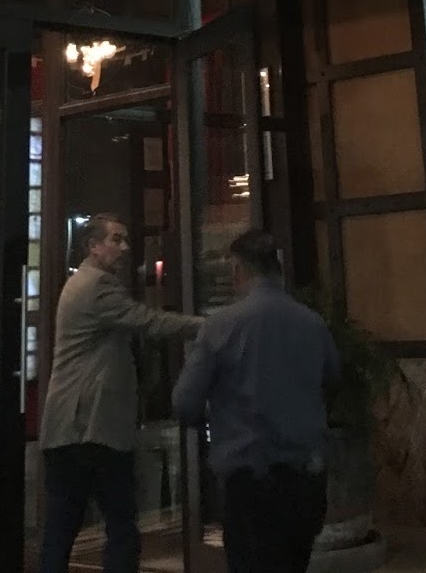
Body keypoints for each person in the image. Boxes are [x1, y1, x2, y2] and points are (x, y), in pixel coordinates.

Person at [39, 213, 203, 573]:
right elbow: (148, 321)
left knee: (62, 528)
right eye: (116, 239)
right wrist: (207, 325)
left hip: (70, 427)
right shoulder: (98, 285)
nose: (125, 248)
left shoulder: (79, 283)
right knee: (120, 526)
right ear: (93, 246)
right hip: (91, 426)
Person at [172, 229, 341, 573]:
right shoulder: (313, 323)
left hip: (249, 481)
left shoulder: (221, 325)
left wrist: (214, 420)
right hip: (306, 478)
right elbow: (332, 381)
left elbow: (185, 402)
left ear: (238, 270)